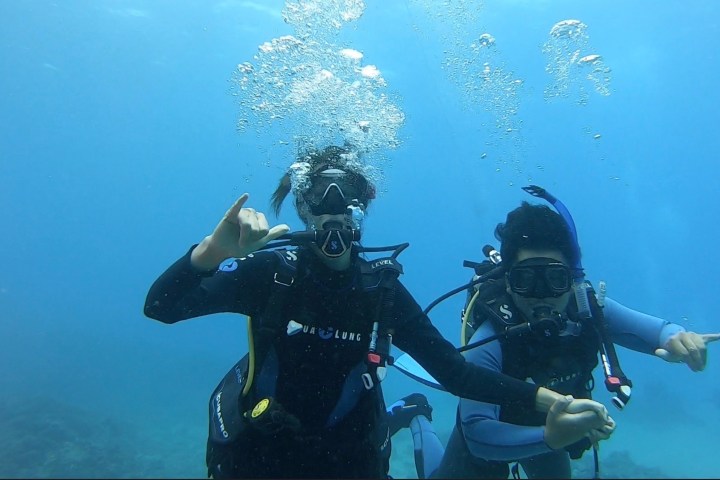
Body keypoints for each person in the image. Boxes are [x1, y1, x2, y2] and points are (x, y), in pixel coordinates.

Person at [144, 147, 613, 479]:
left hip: (348, 452)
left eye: (344, 196)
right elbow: (161, 308)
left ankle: (408, 415)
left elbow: (454, 372)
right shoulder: (272, 272)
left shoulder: (380, 290)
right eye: (317, 198)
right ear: (304, 209)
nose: (332, 211)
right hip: (258, 446)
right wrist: (207, 253)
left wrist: (547, 401)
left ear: (361, 208)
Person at [399, 197, 720, 479]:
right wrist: (550, 437)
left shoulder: (587, 309)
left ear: (573, 280)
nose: (541, 296)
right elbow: (477, 433)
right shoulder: (490, 340)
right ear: (508, 284)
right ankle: (416, 415)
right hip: (512, 436)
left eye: (554, 278)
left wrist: (680, 338)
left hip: (554, 433)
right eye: (526, 280)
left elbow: (659, 332)